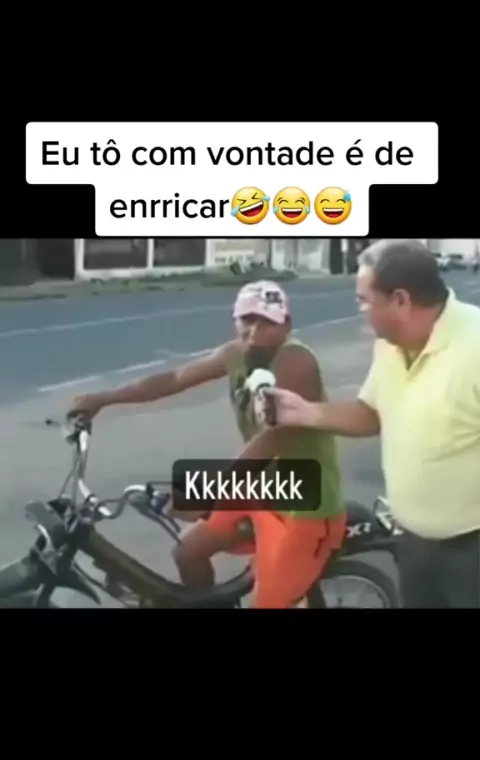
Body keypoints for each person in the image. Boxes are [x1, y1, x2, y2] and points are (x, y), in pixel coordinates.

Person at [68, 280, 346, 608]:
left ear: (286, 325)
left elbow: (275, 437)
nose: (255, 332)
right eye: (247, 320)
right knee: (188, 553)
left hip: (306, 499)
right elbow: (174, 379)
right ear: (235, 321)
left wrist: (211, 490)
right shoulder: (234, 355)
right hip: (262, 486)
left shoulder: (295, 362)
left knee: (267, 603)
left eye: (267, 322)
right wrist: (104, 398)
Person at [265, 240, 480, 609]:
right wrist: (304, 413)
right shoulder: (391, 345)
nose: (360, 309)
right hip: (414, 544)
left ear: (400, 300)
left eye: (364, 299)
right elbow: (371, 414)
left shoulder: (473, 347)